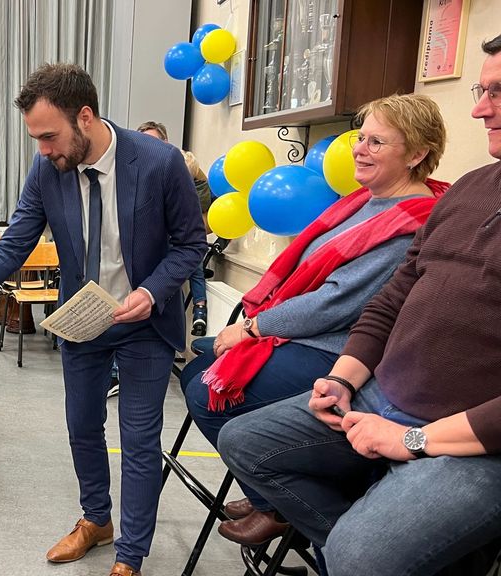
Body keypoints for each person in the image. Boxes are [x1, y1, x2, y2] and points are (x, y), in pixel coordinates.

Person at [218, 35, 501, 576]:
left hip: (472, 441)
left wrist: (413, 440)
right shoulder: (469, 189)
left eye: (499, 92)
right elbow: (391, 301)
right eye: (481, 90)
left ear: (414, 154)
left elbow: (336, 301)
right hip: (381, 397)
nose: (479, 109)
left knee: (358, 553)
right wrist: (343, 379)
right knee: (243, 441)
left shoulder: (417, 205)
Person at [0, 63, 207, 576]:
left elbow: (191, 244)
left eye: (49, 136)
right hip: (83, 321)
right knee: (82, 427)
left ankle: (130, 555)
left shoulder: (159, 162)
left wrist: (153, 291)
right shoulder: (48, 169)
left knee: (139, 440)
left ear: (85, 117)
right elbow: (16, 240)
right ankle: (96, 520)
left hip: (144, 323)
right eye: (36, 139)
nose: (42, 150)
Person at [178, 92, 449, 547]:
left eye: (376, 142)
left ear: (417, 154)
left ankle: (279, 507)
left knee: (207, 393)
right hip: (308, 337)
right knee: (195, 369)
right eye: (360, 138)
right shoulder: (364, 201)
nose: (359, 149)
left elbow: (334, 303)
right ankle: (272, 489)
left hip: (340, 354)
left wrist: (253, 328)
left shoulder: (409, 222)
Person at [137, 120, 212, 335]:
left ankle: (198, 310)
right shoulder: (133, 173)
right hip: (147, 248)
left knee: (189, 266)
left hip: (178, 239)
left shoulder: (180, 166)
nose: (148, 147)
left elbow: (201, 204)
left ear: (166, 143)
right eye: (143, 141)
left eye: (154, 141)